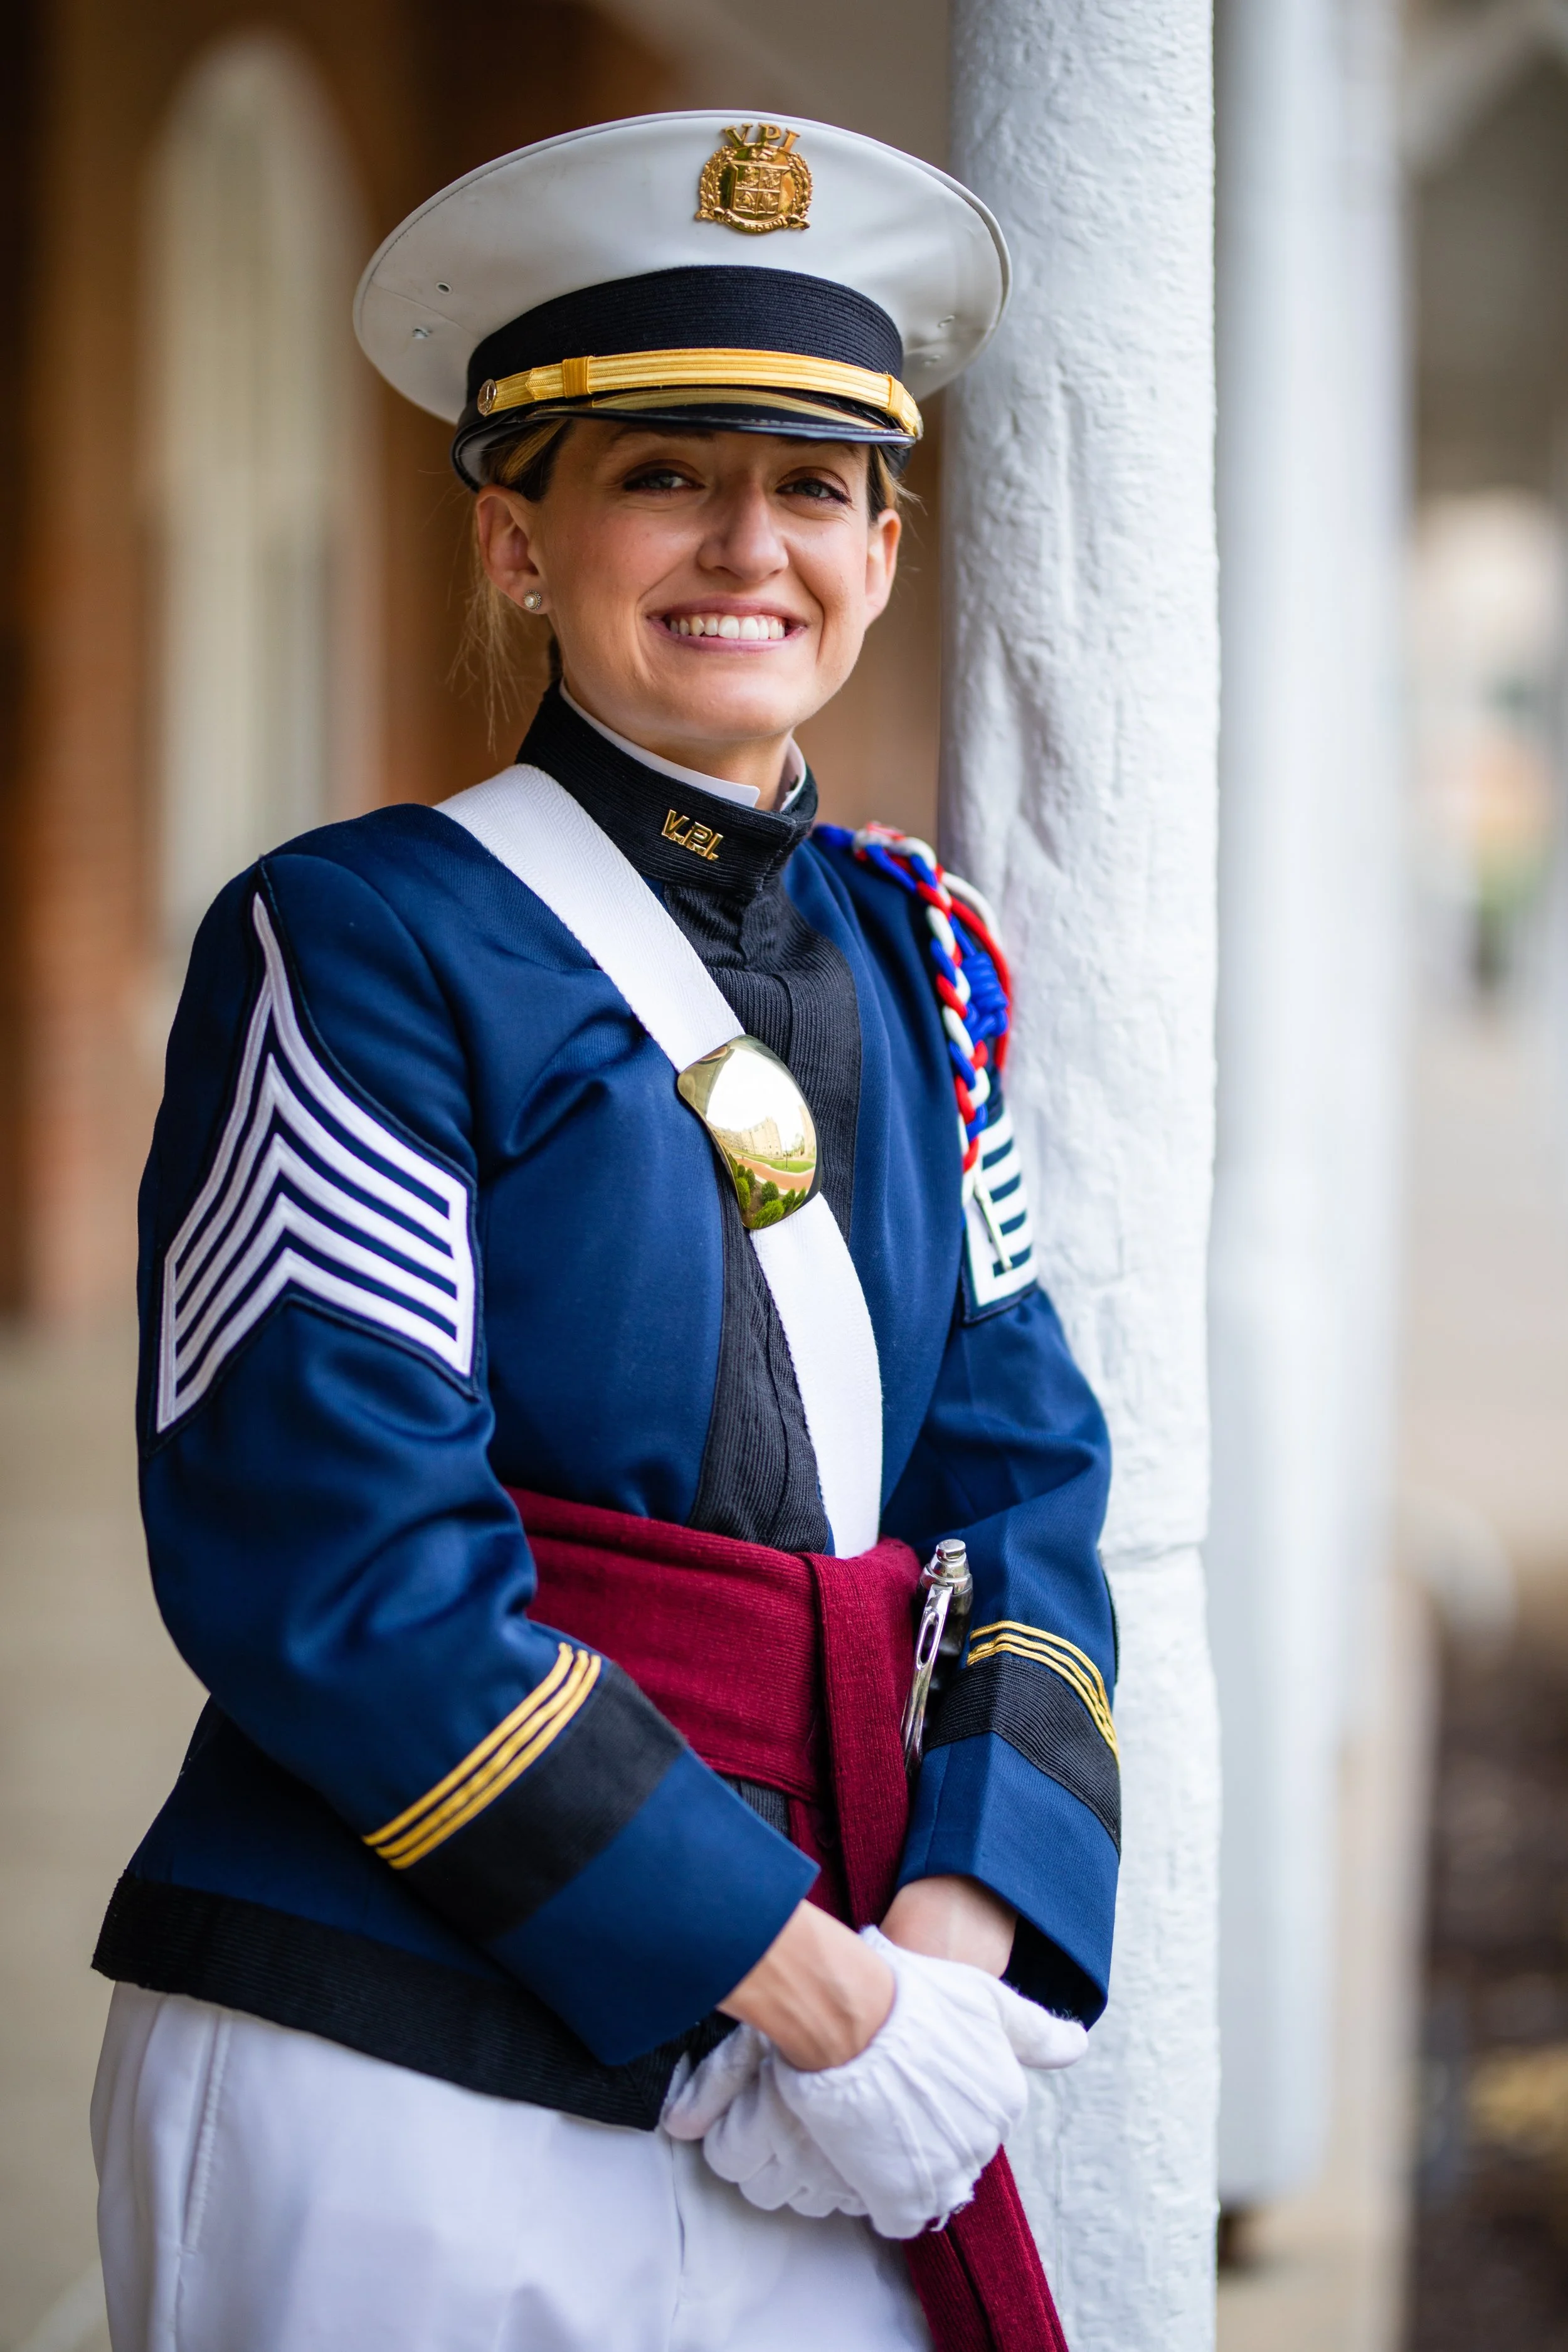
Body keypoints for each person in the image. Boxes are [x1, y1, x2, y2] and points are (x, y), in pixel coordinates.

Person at [90, 110, 1120, 2352]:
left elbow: (1027, 1472)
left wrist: (942, 1958)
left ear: (879, 541)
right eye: (662, 472)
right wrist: (798, 1987)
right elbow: (336, 1565)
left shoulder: (914, 957)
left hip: (856, 2027)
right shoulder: (355, 936)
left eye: (816, 486)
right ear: (512, 541)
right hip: (408, 2043)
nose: (749, 541)